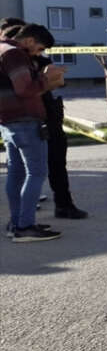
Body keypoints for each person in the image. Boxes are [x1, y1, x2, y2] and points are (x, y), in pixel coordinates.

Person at [1, 23, 66, 241]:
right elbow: (25, 89)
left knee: (16, 173)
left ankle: (16, 223)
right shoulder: (15, 54)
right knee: (36, 173)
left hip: (8, 121)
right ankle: (25, 226)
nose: (39, 54)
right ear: (29, 41)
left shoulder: (2, 50)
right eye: (39, 49)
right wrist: (47, 79)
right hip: (25, 121)